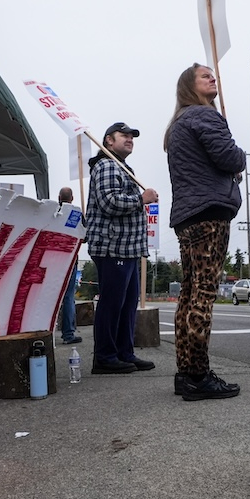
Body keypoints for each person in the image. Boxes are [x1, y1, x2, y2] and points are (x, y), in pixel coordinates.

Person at [164, 64, 247, 401]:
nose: (213, 79)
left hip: (187, 216)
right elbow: (230, 158)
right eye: (205, 76)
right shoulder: (205, 117)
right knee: (205, 292)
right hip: (209, 215)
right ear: (190, 86)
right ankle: (198, 374)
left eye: (214, 75)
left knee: (189, 293)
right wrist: (239, 154)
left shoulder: (178, 125)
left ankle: (186, 371)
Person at [85, 122, 159, 374]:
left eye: (131, 136)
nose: (129, 139)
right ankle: (105, 356)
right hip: (112, 247)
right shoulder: (106, 165)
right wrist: (142, 199)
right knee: (112, 303)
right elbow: (109, 202)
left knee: (127, 304)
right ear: (108, 140)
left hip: (127, 248)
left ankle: (124, 352)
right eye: (123, 135)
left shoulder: (122, 167)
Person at [57, 186, 82, 344]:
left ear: (59, 197)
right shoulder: (77, 213)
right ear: (72, 198)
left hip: (53, 258)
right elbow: (84, 236)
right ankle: (68, 334)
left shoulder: (53, 212)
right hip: (70, 257)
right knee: (68, 296)